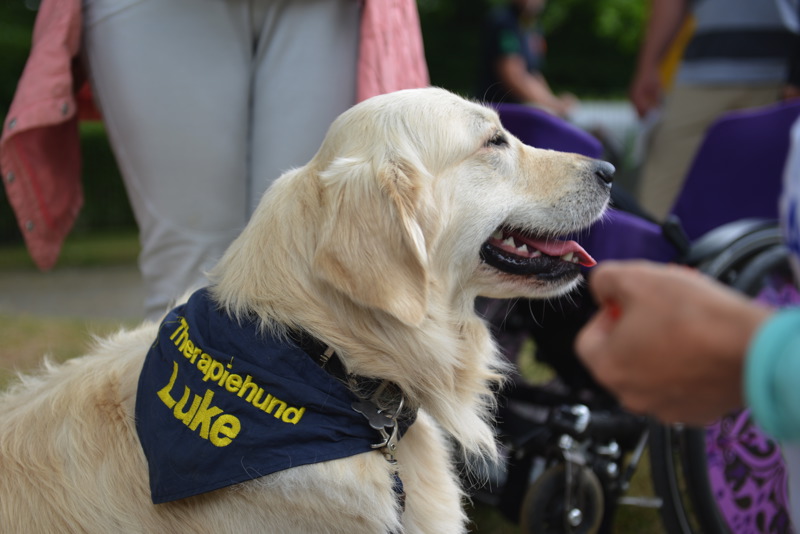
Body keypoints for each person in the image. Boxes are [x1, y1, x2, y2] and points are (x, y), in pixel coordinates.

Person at [1, 0, 429, 320]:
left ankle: (299, 437)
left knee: (310, 259)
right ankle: (183, 433)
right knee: (187, 277)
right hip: (161, 13)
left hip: (323, 8)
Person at [631, 0, 797, 221]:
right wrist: (648, 65)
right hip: (705, 75)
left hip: (780, 78)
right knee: (657, 204)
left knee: (773, 203)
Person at [476, 0, 577, 117]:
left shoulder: (534, 27)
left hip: (520, 112)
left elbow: (534, 74)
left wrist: (554, 102)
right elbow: (513, 76)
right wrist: (554, 105)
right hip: (498, 112)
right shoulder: (504, 23)